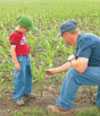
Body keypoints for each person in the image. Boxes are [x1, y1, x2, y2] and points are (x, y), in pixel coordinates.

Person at [46, 20, 100, 114]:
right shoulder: (83, 40)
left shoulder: (85, 40)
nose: (63, 40)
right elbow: (74, 62)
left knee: (74, 74)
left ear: (66, 34)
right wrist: (55, 70)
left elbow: (80, 68)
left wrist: (72, 60)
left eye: (62, 37)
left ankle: (63, 107)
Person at [9, 16, 36, 106]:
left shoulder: (21, 34)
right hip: (20, 59)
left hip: (25, 57)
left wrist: (27, 52)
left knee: (28, 75)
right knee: (20, 77)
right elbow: (12, 50)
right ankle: (17, 97)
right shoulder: (15, 35)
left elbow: (23, 44)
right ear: (22, 27)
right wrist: (16, 62)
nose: (28, 31)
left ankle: (27, 92)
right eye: (27, 29)